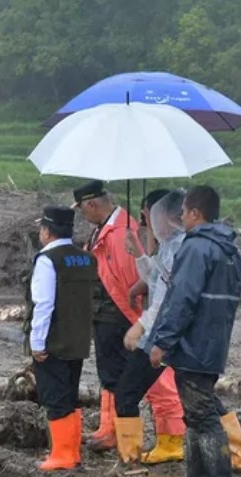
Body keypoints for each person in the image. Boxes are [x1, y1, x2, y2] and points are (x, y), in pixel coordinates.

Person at [149, 185, 241, 477]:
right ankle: (195, 476)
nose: (181, 218)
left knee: (203, 415)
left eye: (184, 212)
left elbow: (181, 300)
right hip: (214, 343)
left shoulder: (196, 248)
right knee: (193, 412)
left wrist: (161, 341)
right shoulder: (230, 251)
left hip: (193, 345)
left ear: (194, 213)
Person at [113, 190, 188, 464]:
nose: (147, 220)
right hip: (167, 331)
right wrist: (139, 252)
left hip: (163, 332)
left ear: (166, 215)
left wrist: (140, 327)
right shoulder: (170, 245)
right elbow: (155, 281)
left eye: (149, 214)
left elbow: (163, 298)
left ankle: (130, 460)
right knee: (198, 395)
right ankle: (236, 455)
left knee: (127, 392)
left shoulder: (178, 247)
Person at [71, 180, 141, 452]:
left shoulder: (121, 232)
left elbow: (128, 279)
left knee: (118, 375)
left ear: (91, 204)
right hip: (103, 313)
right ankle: (107, 427)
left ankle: (119, 436)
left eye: (82, 209)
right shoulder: (103, 229)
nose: (82, 216)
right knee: (107, 372)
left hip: (117, 314)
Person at [25, 205, 96, 471]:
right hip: (78, 340)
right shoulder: (87, 258)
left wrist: (37, 342)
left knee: (55, 396)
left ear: (46, 231)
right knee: (70, 394)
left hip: (54, 340)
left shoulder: (47, 260)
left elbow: (43, 304)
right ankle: (72, 453)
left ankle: (62, 455)